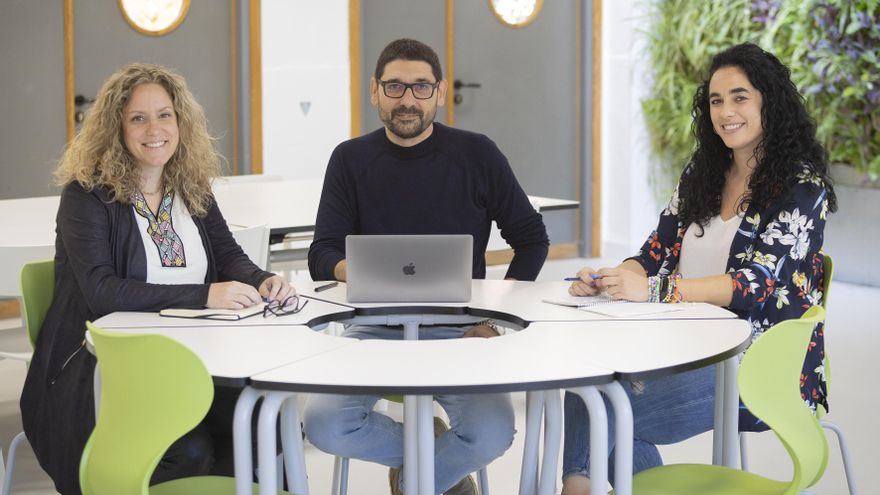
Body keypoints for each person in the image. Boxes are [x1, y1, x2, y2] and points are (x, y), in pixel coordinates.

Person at [561, 43, 837, 494]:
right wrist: (614, 278)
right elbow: (654, 252)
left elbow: (752, 286)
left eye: (740, 97)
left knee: (603, 408)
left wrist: (652, 290)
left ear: (769, 101)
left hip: (755, 365)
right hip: (680, 347)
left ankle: (574, 488)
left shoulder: (801, 188)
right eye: (715, 100)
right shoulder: (703, 172)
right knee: (588, 383)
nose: (726, 112)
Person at [19, 63, 295, 495]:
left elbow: (227, 255)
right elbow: (102, 292)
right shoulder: (86, 195)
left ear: (180, 122)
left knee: (267, 423)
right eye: (138, 118)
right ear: (116, 128)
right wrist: (205, 295)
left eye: (165, 115)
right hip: (107, 369)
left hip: (198, 361)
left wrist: (263, 280)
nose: (155, 129)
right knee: (189, 450)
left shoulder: (190, 186)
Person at [304, 38, 549, 494]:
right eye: (394, 86)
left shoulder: (478, 154)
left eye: (421, 87)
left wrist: (494, 322)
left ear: (439, 92)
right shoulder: (349, 159)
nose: (408, 100)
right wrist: (356, 271)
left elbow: (532, 239)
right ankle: (433, 452)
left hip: (459, 328)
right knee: (324, 425)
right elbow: (322, 253)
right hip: (373, 327)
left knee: (493, 432)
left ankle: (413, 482)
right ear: (374, 91)